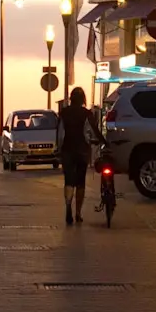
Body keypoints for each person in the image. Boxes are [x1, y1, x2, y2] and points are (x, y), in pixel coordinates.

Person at [56, 87, 106, 226]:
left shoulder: (64, 113)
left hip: (67, 150)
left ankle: (68, 208)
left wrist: (59, 149)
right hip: (82, 151)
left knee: (69, 181)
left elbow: (60, 133)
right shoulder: (87, 113)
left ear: (71, 98)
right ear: (83, 99)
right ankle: (78, 213)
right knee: (80, 182)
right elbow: (94, 131)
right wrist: (103, 141)